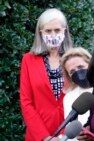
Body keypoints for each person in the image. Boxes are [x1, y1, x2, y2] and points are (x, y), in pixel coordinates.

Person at [19, 8, 73, 141]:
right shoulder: (28, 60)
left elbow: (81, 96)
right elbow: (26, 102)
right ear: (40, 33)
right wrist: (44, 136)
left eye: (57, 30)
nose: (53, 34)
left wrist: (63, 136)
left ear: (64, 31)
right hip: (38, 134)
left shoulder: (74, 59)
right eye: (48, 31)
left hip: (69, 134)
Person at [61, 47, 93, 128]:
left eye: (80, 67)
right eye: (72, 71)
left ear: (91, 64)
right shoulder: (69, 98)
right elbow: (70, 127)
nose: (78, 73)